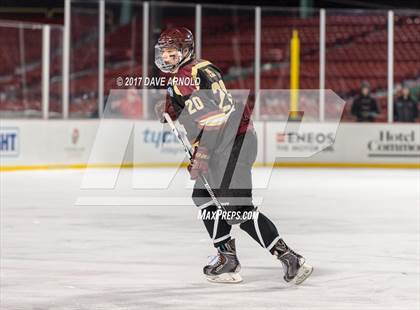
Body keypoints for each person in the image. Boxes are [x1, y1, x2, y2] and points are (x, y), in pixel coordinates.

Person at [154, 27, 313, 284]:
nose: (166, 58)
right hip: (223, 142)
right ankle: (227, 257)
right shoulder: (192, 72)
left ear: (185, 52)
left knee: (238, 211)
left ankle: (290, 258)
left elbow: (216, 118)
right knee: (203, 198)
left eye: (172, 53)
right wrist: (168, 109)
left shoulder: (188, 75)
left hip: (232, 142)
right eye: (165, 53)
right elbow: (188, 108)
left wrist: (202, 154)